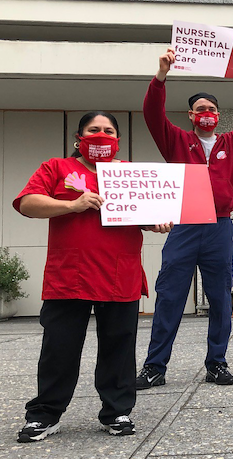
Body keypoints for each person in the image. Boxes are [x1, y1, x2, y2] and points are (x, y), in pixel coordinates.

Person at [13, 112, 172, 442]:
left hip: (119, 273)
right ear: (79, 136)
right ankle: (44, 414)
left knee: (119, 346)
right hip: (69, 275)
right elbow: (28, 203)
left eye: (109, 130)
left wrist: (157, 221)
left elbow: (145, 214)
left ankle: (117, 411)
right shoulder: (56, 168)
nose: (101, 135)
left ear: (118, 139)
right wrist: (72, 205)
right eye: (93, 130)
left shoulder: (131, 174)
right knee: (59, 347)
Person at [136, 48, 233, 390]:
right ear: (190, 115)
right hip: (184, 225)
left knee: (220, 298)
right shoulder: (177, 141)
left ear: (219, 115)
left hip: (219, 227)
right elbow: (152, 115)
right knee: (170, 295)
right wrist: (161, 76)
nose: (206, 114)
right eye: (200, 110)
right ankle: (154, 367)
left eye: (211, 109)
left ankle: (217, 363)